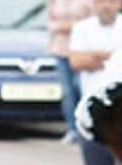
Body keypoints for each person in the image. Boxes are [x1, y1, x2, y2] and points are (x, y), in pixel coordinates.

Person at [68, 0, 122, 165]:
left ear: (121, 4)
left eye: (111, 1)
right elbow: (77, 61)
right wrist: (115, 56)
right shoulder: (82, 28)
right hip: (95, 113)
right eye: (101, 1)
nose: (106, 6)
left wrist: (95, 56)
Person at [46, 0, 90, 148]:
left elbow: (91, 22)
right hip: (60, 50)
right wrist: (71, 26)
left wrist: (67, 27)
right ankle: (72, 129)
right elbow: (50, 23)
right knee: (67, 92)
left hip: (82, 50)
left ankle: (85, 126)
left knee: (81, 88)